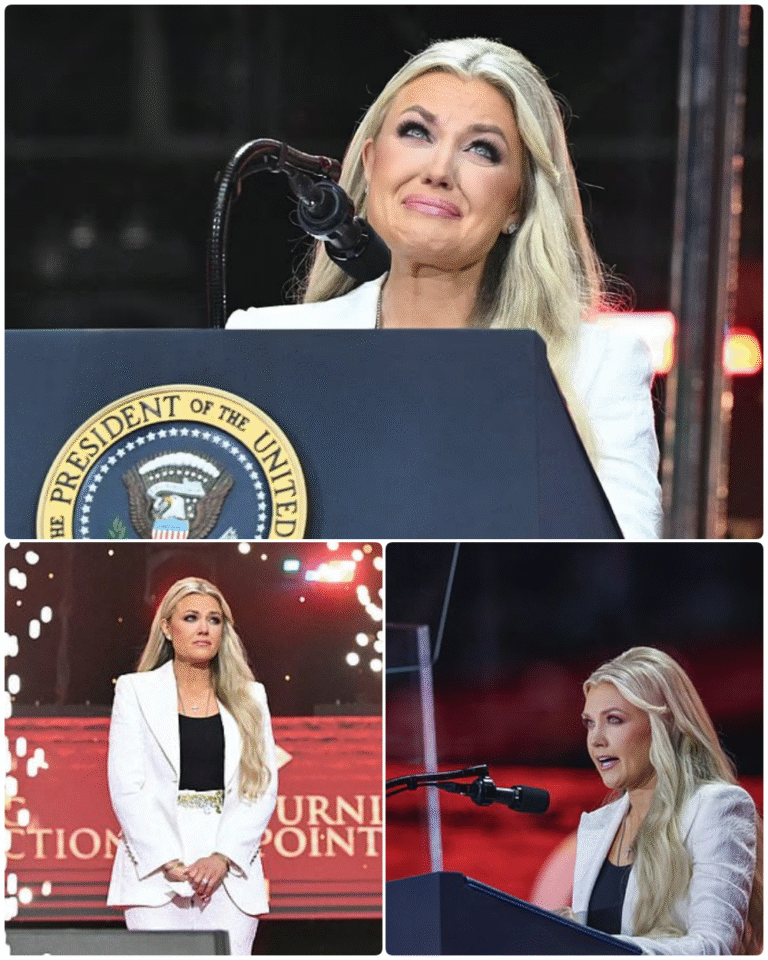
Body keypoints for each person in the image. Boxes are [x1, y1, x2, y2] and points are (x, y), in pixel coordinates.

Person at [227, 37, 662, 540]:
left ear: (517, 203)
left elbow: (626, 571)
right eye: (416, 132)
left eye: (482, 149)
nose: (438, 171)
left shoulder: (597, 366)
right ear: (370, 162)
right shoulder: (262, 342)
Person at [107, 577, 277, 956]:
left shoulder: (251, 696)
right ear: (167, 627)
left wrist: (222, 857)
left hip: (231, 875)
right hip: (154, 873)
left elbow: (262, 786)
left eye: (214, 620)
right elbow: (127, 785)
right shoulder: (135, 691)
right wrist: (166, 859)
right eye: (191, 617)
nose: (203, 628)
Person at [574, 646, 762, 954]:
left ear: (662, 725)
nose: (596, 739)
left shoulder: (717, 807)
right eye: (589, 723)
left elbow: (714, 947)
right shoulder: (598, 826)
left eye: (615, 720)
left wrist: (598, 948)